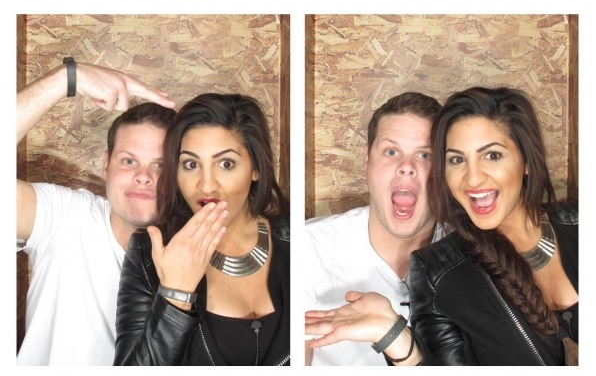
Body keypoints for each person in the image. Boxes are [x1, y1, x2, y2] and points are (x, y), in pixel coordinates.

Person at [306, 87, 578, 366]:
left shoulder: (576, 223)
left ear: (527, 160)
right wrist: (393, 337)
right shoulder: (440, 270)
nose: (473, 178)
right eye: (457, 159)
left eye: (425, 155)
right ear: (366, 159)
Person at [17, 60, 176, 365]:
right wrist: (66, 78)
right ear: (106, 165)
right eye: (129, 161)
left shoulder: (200, 253)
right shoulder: (64, 217)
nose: (144, 177)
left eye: (160, 164)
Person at [114, 93, 290, 365]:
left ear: (255, 168)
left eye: (226, 164)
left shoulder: (297, 241)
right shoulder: (148, 252)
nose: (206, 185)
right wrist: (175, 293)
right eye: (191, 164)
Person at [305, 92, 446, 366]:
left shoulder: (472, 256)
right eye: (391, 152)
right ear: (367, 161)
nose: (406, 167)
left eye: (425, 155)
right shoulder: (308, 247)